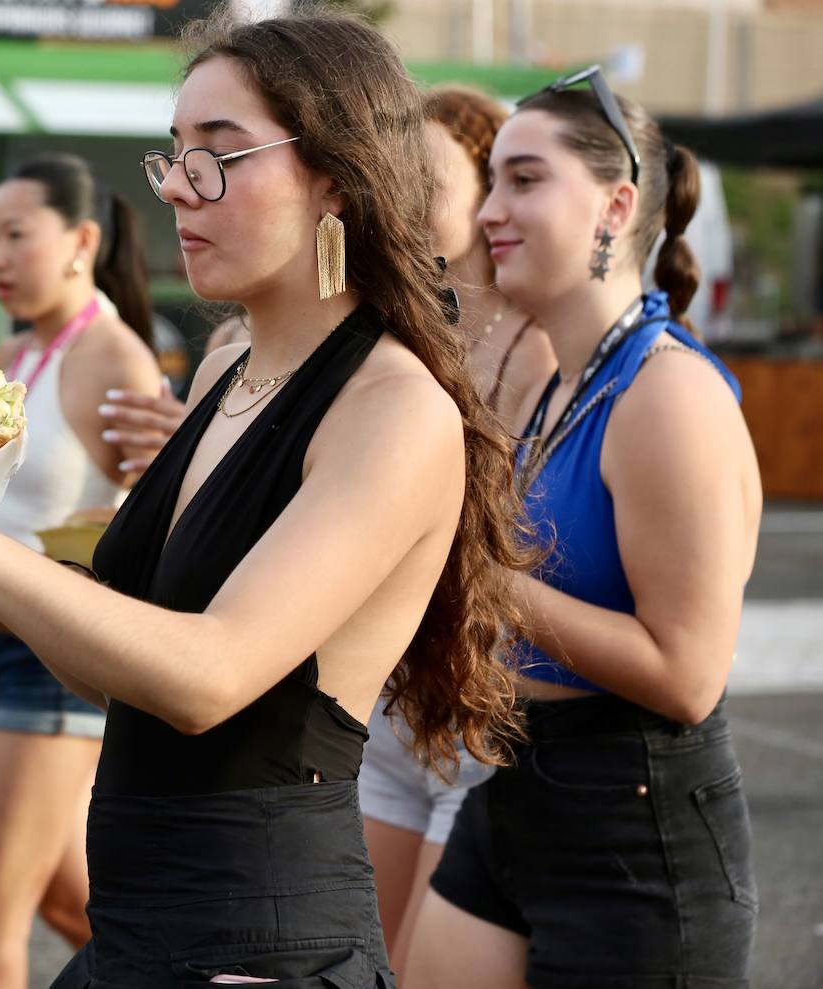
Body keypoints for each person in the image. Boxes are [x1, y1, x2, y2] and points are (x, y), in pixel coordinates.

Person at [0, 13, 532, 987]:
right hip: (143, 933)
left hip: (257, 945)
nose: (181, 186)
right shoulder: (230, 374)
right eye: (176, 153)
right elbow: (123, 678)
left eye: (221, 155)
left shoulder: (393, 407)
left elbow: (210, 675)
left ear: (335, 177)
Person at [407, 68, 761, 989]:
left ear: (617, 204)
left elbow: (688, 676)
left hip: (635, 831)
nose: (490, 210)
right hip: (520, 786)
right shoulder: (562, 378)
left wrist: (480, 577)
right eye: (492, 182)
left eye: (525, 179)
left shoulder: (666, 392)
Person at [0, 153, 163, 989]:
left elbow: (155, 530)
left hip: (56, 665)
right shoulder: (13, 350)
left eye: (16, 234)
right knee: (75, 906)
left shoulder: (115, 356)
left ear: (80, 240)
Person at [356, 85, 556, 982]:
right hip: (393, 704)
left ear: (487, 196)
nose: (403, 199)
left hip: (480, 711)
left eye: (427, 177)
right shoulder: (403, 336)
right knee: (366, 961)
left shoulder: (541, 351)